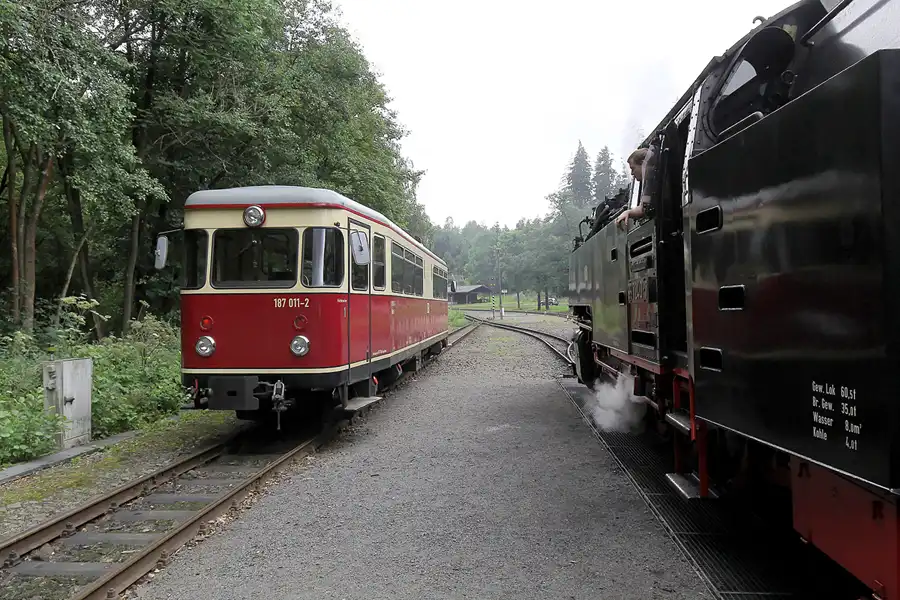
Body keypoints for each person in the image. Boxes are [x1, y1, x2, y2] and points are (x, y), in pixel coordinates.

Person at [616, 146, 656, 228]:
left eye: (633, 168)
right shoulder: (649, 183)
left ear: (643, 163)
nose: (632, 173)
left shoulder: (662, 176)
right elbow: (642, 208)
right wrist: (628, 212)